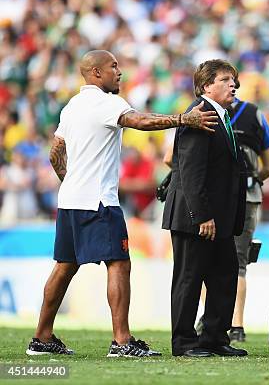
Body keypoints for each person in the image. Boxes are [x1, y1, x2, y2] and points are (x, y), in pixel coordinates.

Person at [26, 50, 218, 357]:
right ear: (96, 73)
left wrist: (71, 181)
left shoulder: (71, 106)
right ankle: (122, 341)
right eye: (113, 67)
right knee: (119, 263)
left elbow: (54, 152)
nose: (120, 72)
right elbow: (139, 121)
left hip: (71, 200)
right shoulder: (108, 103)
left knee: (64, 266)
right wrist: (184, 119)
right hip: (99, 202)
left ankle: (42, 337)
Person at [162, 59, 248, 358]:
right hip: (195, 217)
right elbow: (190, 171)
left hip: (219, 217)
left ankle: (214, 338)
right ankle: (184, 343)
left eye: (233, 80)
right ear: (205, 85)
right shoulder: (198, 114)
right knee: (189, 278)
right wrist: (202, 215)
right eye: (225, 79)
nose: (233, 84)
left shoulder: (222, 115)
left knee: (224, 276)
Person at [225, 92, 269, 343]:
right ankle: (237, 325)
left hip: (213, 199)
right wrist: (255, 179)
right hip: (248, 197)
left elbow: (171, 158)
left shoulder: (200, 111)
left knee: (205, 261)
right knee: (239, 264)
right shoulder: (253, 113)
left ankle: (210, 318)